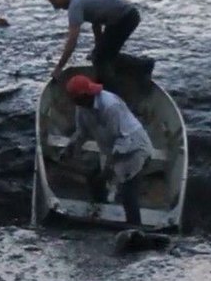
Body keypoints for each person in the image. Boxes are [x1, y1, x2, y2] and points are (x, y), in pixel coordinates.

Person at [59, 74, 153, 225]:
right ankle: (100, 212)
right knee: (94, 178)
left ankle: (135, 228)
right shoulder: (82, 107)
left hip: (133, 148)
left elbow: (122, 139)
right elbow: (81, 132)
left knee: (128, 191)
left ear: (84, 96)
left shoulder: (110, 105)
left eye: (74, 99)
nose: (73, 102)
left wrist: (109, 168)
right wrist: (69, 148)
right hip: (111, 148)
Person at [44, 0, 141, 87]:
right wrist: (98, 47)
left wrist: (59, 67)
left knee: (101, 59)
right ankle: (137, 69)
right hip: (125, 15)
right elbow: (96, 21)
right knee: (101, 54)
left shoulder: (75, 6)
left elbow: (72, 41)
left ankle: (109, 88)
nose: (56, 7)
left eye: (54, 3)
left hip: (125, 19)